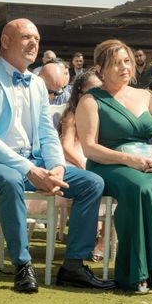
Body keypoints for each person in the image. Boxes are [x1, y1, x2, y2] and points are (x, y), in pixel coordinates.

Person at [0, 18, 115, 293]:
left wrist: (57, 166)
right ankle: (23, 265)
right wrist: (29, 169)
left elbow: (47, 132)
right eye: (25, 37)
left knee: (91, 182)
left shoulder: (36, 83)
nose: (33, 42)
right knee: (10, 180)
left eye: (36, 37)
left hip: (33, 161)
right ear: (6, 42)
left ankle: (73, 266)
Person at [76, 39, 152, 292]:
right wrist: (127, 159)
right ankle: (140, 270)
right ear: (100, 69)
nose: (124, 68)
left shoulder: (146, 96)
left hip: (149, 161)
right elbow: (89, 147)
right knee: (142, 190)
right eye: (115, 63)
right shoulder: (91, 100)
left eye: (127, 61)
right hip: (109, 163)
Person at [57, 69, 111, 262]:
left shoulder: (106, 109)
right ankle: (88, 235)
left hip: (100, 153)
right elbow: (66, 146)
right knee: (79, 181)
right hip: (76, 156)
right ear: (80, 92)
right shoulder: (72, 113)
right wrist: (82, 162)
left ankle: (104, 238)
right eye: (93, 89)